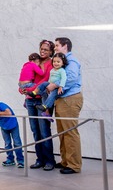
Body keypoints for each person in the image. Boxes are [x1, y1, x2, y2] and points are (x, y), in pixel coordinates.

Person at [46, 37, 83, 174]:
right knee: (62, 132)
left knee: (70, 132)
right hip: (62, 99)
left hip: (70, 99)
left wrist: (54, 87)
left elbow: (71, 78)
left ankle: (74, 165)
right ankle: (66, 161)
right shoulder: (62, 61)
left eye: (56, 45)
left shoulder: (71, 61)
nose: (54, 48)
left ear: (65, 46)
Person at [19, 39, 56, 171]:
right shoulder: (34, 61)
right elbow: (25, 77)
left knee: (44, 131)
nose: (43, 51)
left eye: (46, 49)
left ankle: (50, 161)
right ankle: (39, 159)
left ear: (51, 51)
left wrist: (30, 89)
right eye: (41, 48)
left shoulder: (53, 63)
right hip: (30, 100)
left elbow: (47, 81)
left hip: (43, 101)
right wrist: (22, 88)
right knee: (35, 131)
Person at [27, 52, 68, 120]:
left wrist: (61, 86)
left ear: (63, 63)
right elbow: (50, 79)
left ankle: (45, 106)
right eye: (54, 61)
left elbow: (64, 79)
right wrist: (48, 87)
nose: (56, 63)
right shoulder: (52, 70)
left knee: (52, 95)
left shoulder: (62, 71)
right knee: (43, 83)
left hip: (57, 87)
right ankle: (34, 93)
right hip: (50, 84)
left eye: (58, 62)